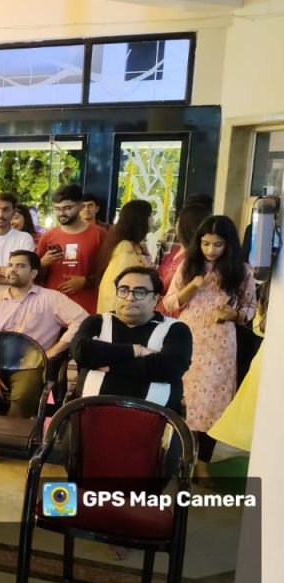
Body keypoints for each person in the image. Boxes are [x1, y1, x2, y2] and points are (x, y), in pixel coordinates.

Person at [164, 215, 256, 472]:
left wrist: (234, 315)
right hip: (188, 340)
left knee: (215, 405)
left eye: (218, 244)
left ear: (229, 244)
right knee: (187, 401)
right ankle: (185, 460)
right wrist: (193, 286)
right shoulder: (189, 266)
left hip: (221, 345)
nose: (211, 250)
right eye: (205, 243)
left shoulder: (242, 271)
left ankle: (203, 463)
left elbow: (250, 309)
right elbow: (170, 303)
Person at [0, 250, 87, 418]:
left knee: (23, 396)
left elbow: (82, 320)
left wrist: (54, 350)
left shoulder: (51, 298)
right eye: (10, 265)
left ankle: (12, 432)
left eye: (20, 266)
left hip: (32, 363)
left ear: (34, 273)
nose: (12, 270)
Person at [71, 266, 192, 414]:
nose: (129, 298)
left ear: (155, 298)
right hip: (89, 417)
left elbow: (170, 368)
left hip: (155, 421)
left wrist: (109, 364)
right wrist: (135, 350)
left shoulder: (175, 329)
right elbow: (81, 351)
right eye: (123, 290)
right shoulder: (97, 322)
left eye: (140, 292)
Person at [36, 184, 107, 314]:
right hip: (53, 309)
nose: (61, 213)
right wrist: (42, 263)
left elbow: (109, 270)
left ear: (80, 206)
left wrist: (86, 281)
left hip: (87, 307)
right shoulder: (47, 236)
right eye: (57, 209)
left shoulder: (99, 235)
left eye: (67, 208)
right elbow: (33, 273)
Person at [96, 200, 154, 314]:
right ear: (141, 219)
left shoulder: (132, 245)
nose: (153, 220)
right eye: (150, 215)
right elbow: (116, 288)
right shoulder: (125, 248)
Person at [156, 201, 212, 315]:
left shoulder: (195, 259)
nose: (176, 224)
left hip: (176, 315)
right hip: (157, 308)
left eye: (179, 220)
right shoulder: (175, 250)